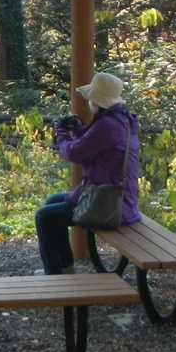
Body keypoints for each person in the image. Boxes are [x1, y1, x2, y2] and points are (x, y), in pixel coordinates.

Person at [34, 71, 142, 275]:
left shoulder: (108, 125)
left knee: (44, 217)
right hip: (120, 198)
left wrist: (61, 131)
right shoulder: (122, 120)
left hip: (111, 206)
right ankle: (64, 267)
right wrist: (78, 129)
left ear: (96, 100)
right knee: (52, 201)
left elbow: (73, 153)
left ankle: (53, 274)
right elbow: (94, 143)